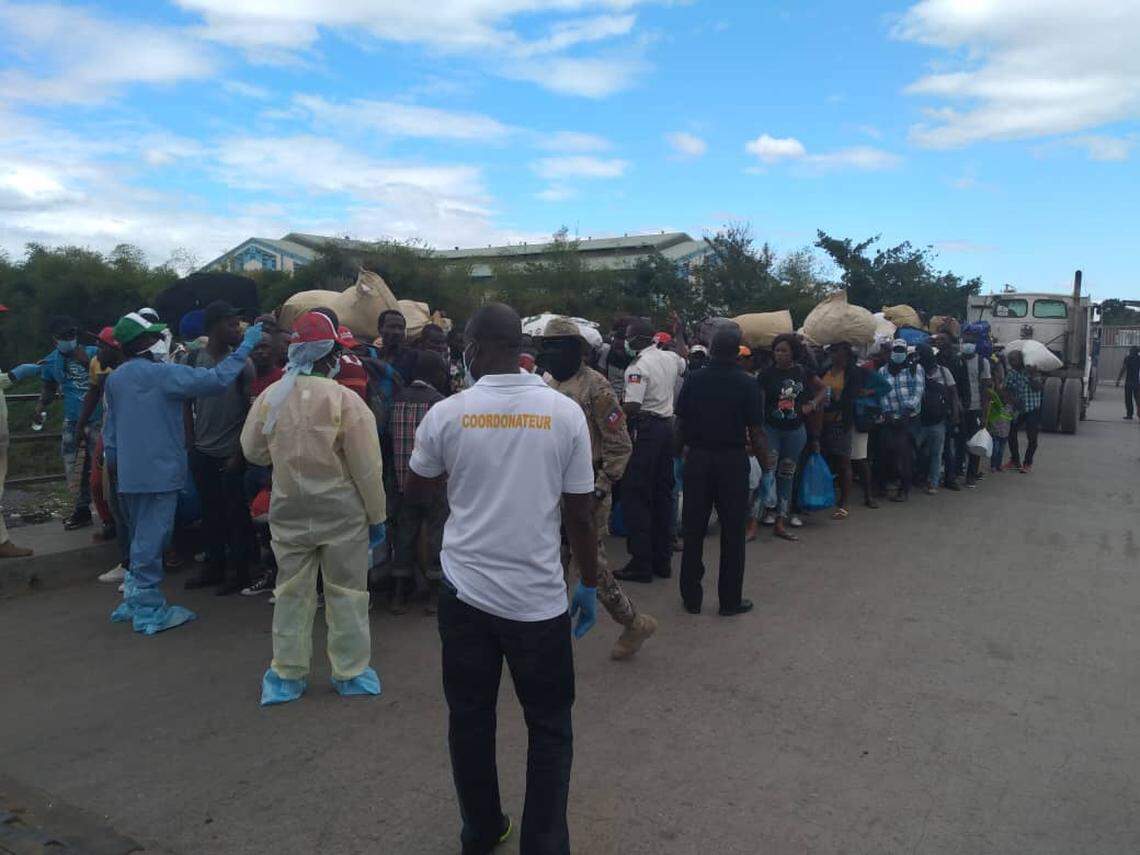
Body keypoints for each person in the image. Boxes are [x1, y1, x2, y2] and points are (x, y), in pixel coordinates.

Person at [406, 303, 598, 855]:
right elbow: (580, 513)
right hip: (538, 603)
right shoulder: (563, 414)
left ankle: (482, 830)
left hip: (465, 594)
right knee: (550, 728)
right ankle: (544, 844)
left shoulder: (447, 413)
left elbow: (418, 490)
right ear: (518, 346)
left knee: (470, 719)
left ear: (472, 346)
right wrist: (585, 582)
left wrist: (469, 492)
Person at [241, 310, 386, 706]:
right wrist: (377, 517)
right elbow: (367, 469)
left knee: (291, 591)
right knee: (347, 592)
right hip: (342, 513)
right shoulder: (346, 402)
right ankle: (351, 671)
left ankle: (287, 674)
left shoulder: (272, 396)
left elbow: (252, 451)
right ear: (330, 355)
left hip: (289, 509)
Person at [103, 312, 263, 635]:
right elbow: (217, 380)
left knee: (139, 535)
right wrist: (245, 346)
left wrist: (114, 462)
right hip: (159, 470)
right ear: (145, 342)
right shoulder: (164, 375)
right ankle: (148, 608)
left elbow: (111, 429)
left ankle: (136, 596)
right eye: (155, 336)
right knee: (154, 536)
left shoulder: (116, 378)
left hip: (130, 470)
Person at [541, 316, 658, 659]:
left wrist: (603, 486)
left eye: (559, 348)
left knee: (589, 562)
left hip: (588, 484)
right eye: (547, 348)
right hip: (551, 484)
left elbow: (620, 443)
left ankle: (633, 622)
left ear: (576, 351)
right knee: (552, 558)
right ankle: (549, 630)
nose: (551, 355)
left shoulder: (597, 387)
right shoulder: (545, 384)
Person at [675, 324, 767, 616]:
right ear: (738, 352)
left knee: (694, 531)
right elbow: (755, 430)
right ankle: (729, 601)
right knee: (732, 533)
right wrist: (767, 464)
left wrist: (676, 457)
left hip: (698, 460)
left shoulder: (694, 379)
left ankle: (691, 598)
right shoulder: (748, 383)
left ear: (712, 350)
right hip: (731, 461)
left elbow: (681, 424)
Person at [183, 301, 257, 595]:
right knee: (210, 513)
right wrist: (191, 444)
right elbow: (186, 403)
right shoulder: (191, 361)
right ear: (214, 327)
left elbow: (249, 414)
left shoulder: (243, 364)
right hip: (202, 450)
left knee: (236, 515)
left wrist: (239, 454)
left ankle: (238, 572)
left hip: (231, 453)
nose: (237, 329)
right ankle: (214, 566)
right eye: (231, 324)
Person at [613, 317, 686, 583]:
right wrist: (680, 333)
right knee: (662, 495)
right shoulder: (668, 358)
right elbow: (684, 360)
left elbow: (632, 405)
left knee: (636, 495)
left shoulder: (638, 366)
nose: (624, 342)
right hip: (668, 428)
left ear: (637, 340)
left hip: (646, 431)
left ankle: (641, 563)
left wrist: (613, 411)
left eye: (628, 337)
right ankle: (662, 559)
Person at [389, 350, 450, 614]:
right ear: (436, 375)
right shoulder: (440, 403)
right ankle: (434, 596)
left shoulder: (396, 399)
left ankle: (399, 594)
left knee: (404, 534)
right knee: (437, 534)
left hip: (402, 482)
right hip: (434, 483)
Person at [758, 333, 825, 541]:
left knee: (787, 473)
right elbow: (759, 404)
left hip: (795, 431)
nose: (779, 354)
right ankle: (766, 511)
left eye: (784, 350)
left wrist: (811, 405)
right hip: (771, 429)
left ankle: (781, 517)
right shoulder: (766, 375)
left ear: (793, 353)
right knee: (768, 471)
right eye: (777, 350)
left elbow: (823, 389)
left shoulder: (803, 372)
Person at [33, 316, 98, 530]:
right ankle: (81, 511)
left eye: (72, 335)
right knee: (74, 468)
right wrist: (40, 407)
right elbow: (49, 388)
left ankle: (111, 514)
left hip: (98, 421)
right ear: (55, 339)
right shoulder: (51, 361)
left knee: (103, 469)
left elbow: (110, 380)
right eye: (64, 337)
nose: (69, 340)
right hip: (72, 421)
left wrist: (86, 363)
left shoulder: (93, 353)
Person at [818, 342, 869, 518]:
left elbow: (850, 398)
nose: (833, 355)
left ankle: (844, 502)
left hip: (841, 422)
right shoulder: (824, 369)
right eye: (831, 352)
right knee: (823, 460)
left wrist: (833, 398)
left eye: (836, 352)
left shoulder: (853, 373)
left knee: (843, 462)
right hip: (821, 423)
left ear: (845, 354)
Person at [877, 339, 925, 502]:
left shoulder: (914, 369)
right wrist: (888, 413)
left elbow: (917, 393)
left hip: (909, 418)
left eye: (901, 350)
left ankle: (904, 490)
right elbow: (882, 394)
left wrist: (905, 412)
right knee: (885, 453)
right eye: (895, 350)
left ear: (906, 352)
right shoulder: (883, 371)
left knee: (905, 455)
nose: (898, 353)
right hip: (889, 418)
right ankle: (884, 486)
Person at [913, 344, 959, 495]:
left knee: (936, 453)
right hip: (919, 419)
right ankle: (919, 477)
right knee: (916, 450)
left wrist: (955, 414)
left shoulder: (944, 372)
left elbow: (953, 393)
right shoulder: (916, 371)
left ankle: (933, 482)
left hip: (938, 420)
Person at [952, 329, 993, 487]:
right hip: (960, 408)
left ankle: (971, 475)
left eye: (971, 342)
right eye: (965, 341)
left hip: (975, 408)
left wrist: (984, 414)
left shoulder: (983, 362)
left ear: (976, 345)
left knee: (975, 444)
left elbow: (985, 388)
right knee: (959, 442)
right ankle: (956, 473)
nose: (968, 345)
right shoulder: (956, 360)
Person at [1005, 349, 1043, 473]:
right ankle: (1015, 460)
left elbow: (1038, 388)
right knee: (1011, 434)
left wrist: (1031, 376)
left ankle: (1027, 462)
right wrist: (1013, 400)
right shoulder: (1011, 373)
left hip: (1032, 409)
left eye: (1014, 360)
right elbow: (1006, 389)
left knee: (1032, 437)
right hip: (1018, 409)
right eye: (1010, 361)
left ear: (1021, 360)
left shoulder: (1033, 371)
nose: (1011, 363)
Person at [1117, 345, 1140, 419]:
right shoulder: (1139, 358)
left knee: (1128, 399)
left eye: (1130, 350)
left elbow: (1123, 369)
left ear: (1132, 351)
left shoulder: (1127, 358)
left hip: (1129, 382)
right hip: (1137, 383)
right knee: (1138, 399)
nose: (1129, 351)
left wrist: (1118, 379)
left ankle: (1129, 414)